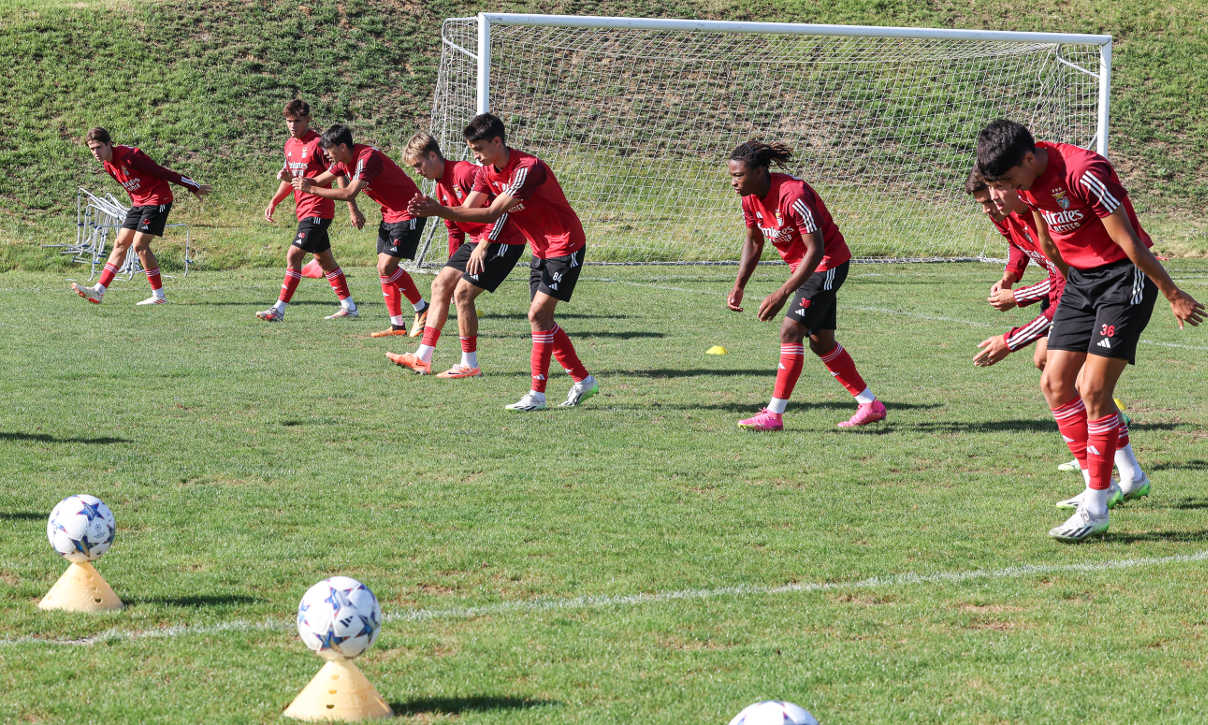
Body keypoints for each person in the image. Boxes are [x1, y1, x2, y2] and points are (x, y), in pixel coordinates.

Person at [976, 119, 1204, 541]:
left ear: (1029, 158)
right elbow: (1047, 239)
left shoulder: (1083, 172)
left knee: (1094, 389)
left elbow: (1129, 241)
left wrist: (1172, 293)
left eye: (1007, 181)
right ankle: (1106, 482)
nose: (1004, 190)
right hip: (1081, 281)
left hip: (1123, 276)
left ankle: (1097, 507)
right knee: (1055, 382)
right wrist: (1063, 284)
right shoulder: (1025, 179)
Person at [965, 167, 1145, 507]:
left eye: (993, 197)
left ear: (1015, 186)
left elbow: (1064, 283)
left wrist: (1013, 324)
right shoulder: (1005, 213)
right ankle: (1116, 470)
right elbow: (1016, 246)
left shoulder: (1042, 212)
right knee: (1055, 372)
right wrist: (1010, 276)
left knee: (1084, 386)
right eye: (985, 202)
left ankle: (1104, 476)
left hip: (1092, 288)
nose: (990, 208)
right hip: (1069, 287)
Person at [407, 113, 598, 410]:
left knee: (537, 316)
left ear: (498, 141)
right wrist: (439, 210)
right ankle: (583, 381)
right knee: (543, 320)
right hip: (540, 249)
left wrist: (438, 210)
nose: (476, 157)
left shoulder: (527, 169)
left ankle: (537, 395)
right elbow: (467, 210)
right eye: (472, 151)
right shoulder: (485, 172)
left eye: (479, 149)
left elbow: (490, 214)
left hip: (565, 245)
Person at [726, 140, 885, 430]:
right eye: (732, 176)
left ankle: (774, 415)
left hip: (827, 263)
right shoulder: (749, 197)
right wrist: (739, 285)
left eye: (739, 175)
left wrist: (783, 292)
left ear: (761, 171)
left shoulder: (793, 193)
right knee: (821, 343)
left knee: (790, 331)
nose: (734, 182)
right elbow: (753, 240)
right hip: (807, 268)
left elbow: (816, 250)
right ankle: (869, 404)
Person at [386, 132, 527, 378]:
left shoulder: (464, 172)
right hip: (476, 242)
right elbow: (454, 228)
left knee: (463, 294)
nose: (417, 171)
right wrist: (451, 268)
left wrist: (484, 245)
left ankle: (469, 365)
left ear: (433, 155)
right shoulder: (441, 187)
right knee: (441, 284)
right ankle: (422, 358)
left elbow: (502, 208)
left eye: (419, 164)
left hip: (503, 240)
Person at [291, 124, 429, 337]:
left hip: (409, 211)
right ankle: (397, 325)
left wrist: (311, 188)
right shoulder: (342, 162)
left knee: (387, 266)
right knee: (382, 269)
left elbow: (349, 193)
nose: (328, 155)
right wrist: (299, 180)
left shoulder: (367, 158)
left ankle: (422, 308)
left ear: (343, 146)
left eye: (330, 150)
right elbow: (320, 180)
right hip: (390, 214)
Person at [72, 128, 211, 305]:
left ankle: (159, 296)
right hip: (139, 203)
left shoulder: (131, 156)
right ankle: (98, 291)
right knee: (120, 243)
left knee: (139, 245)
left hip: (158, 199)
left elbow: (162, 172)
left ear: (109, 144)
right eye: (92, 149)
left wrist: (192, 186)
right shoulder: (108, 165)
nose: (95, 153)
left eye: (99, 147)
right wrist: (135, 204)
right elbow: (128, 187)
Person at [258, 99, 360, 322]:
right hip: (303, 210)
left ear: (308, 120)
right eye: (288, 121)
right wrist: (274, 201)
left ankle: (279, 309)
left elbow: (339, 173)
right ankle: (349, 307)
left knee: (294, 255)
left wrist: (352, 208)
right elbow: (292, 178)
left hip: (319, 209)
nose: (292, 126)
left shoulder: (318, 144)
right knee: (324, 260)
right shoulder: (289, 145)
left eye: (297, 121)